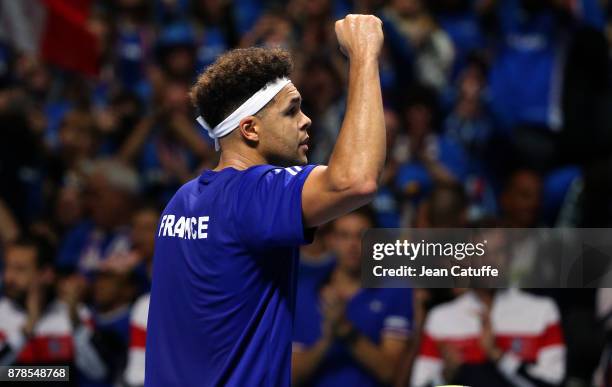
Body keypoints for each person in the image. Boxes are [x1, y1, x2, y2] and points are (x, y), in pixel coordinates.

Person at [145, 14, 386, 387]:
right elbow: (355, 180)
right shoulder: (252, 193)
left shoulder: (180, 202)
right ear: (250, 129)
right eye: (291, 111)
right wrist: (364, 56)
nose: (306, 121)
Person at [292, 208, 413, 386]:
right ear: (330, 240)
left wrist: (345, 329)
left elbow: (391, 373)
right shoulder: (304, 293)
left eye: (361, 236)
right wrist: (327, 340)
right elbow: (292, 377)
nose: (353, 244)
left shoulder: (395, 291)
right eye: (344, 235)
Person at [0, 236, 107, 386]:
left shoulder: (76, 313)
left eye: (20, 269)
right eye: (7, 267)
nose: (8, 277)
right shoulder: (1, 314)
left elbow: (98, 373)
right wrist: (27, 329)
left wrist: (75, 324)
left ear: (46, 274)